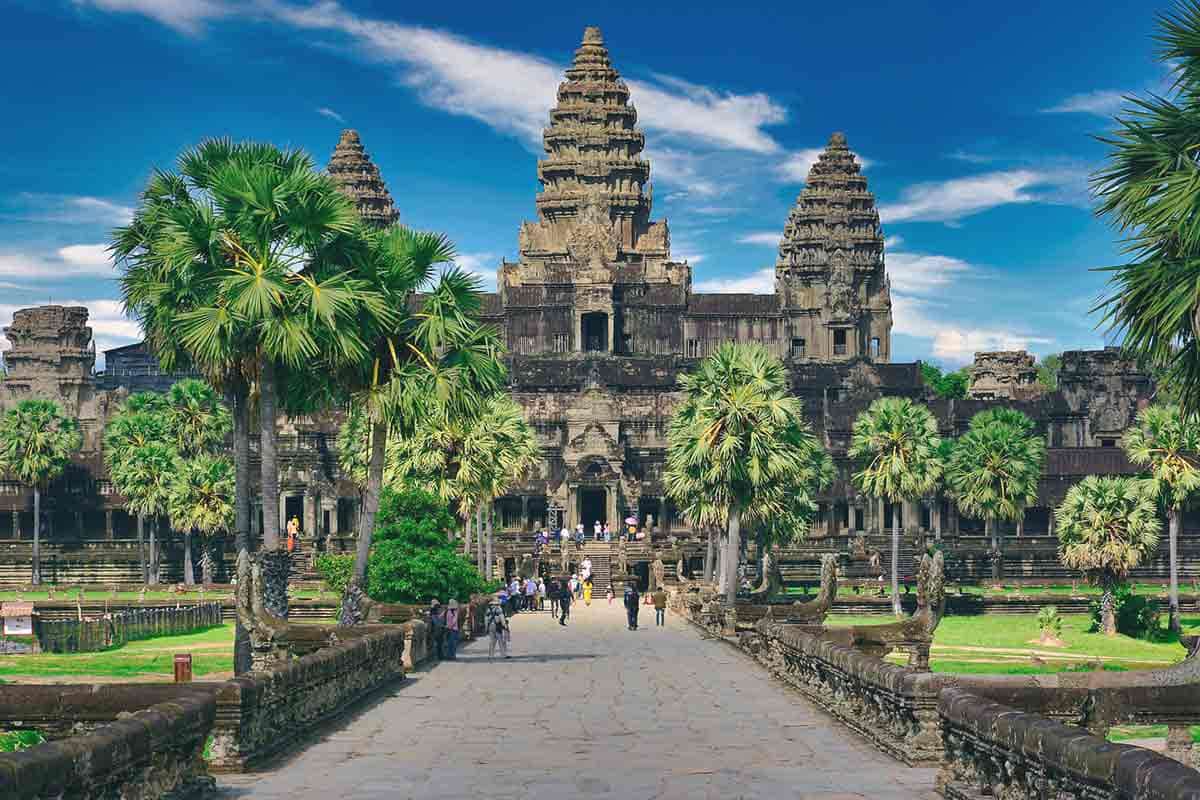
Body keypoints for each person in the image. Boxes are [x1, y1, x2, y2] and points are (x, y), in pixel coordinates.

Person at [485, 595, 510, 659]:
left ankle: (490, 655)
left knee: (492, 641)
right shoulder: (498, 608)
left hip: (490, 625)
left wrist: (486, 627)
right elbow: (501, 618)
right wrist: (505, 626)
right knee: (500, 640)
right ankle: (503, 654)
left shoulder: (488, 609)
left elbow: (486, 619)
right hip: (497, 626)